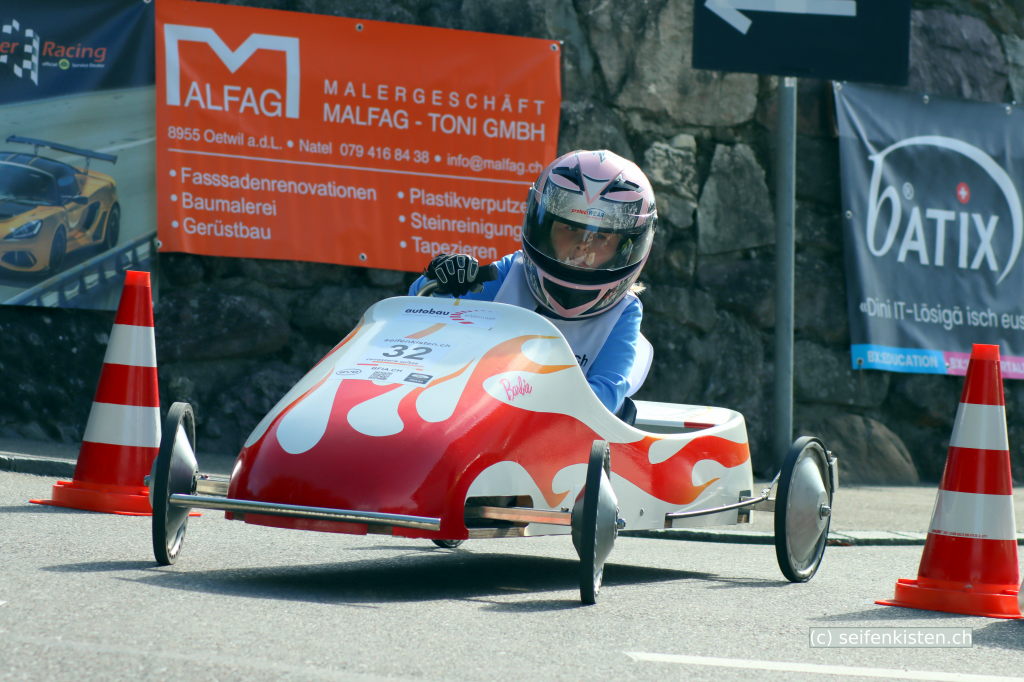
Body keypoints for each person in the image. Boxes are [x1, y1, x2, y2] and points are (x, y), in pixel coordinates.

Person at [408, 149, 657, 416]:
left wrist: (521, 399)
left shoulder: (623, 312)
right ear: (544, 228)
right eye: (570, 228)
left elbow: (606, 398)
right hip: (478, 422)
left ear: (626, 248)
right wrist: (443, 280)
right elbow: (419, 311)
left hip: (555, 436)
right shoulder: (510, 273)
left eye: (601, 237)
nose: (582, 247)